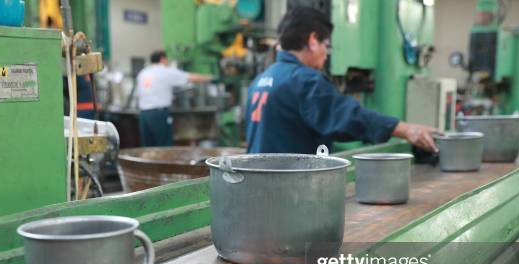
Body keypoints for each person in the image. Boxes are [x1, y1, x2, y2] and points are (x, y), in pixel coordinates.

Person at [245, 7, 438, 154]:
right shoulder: (305, 80)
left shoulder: (261, 79)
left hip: (260, 191)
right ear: (312, 41)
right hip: (290, 191)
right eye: (326, 45)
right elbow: (347, 118)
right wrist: (405, 129)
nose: (326, 55)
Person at [136, 50, 213, 147]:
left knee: (148, 147)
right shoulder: (165, 71)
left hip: (143, 115)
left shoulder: (142, 73)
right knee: (164, 146)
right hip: (159, 115)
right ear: (162, 59)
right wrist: (210, 78)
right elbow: (190, 77)